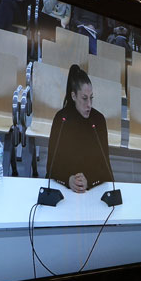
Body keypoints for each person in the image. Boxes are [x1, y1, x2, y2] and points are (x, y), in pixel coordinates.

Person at [46, 65, 113, 193]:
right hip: (65, 190)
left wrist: (88, 181)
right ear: (73, 96)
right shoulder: (61, 119)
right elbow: (51, 167)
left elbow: (105, 169)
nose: (89, 104)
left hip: (92, 190)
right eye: (84, 98)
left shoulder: (98, 120)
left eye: (91, 98)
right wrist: (68, 179)